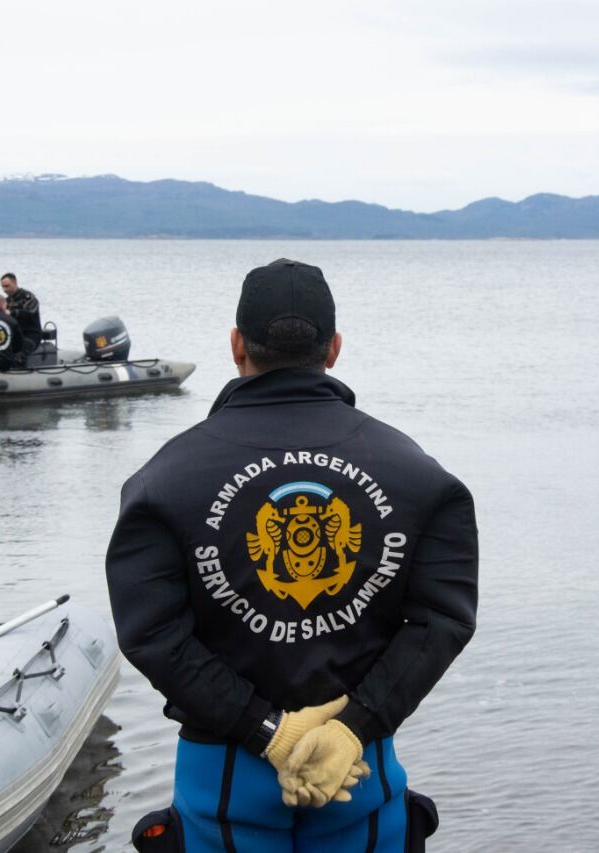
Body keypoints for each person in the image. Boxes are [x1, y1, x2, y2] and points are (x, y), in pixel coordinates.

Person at [106, 258, 478, 852]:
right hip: (358, 773)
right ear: (333, 349)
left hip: (223, 777)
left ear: (235, 346)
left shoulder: (164, 481)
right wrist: (353, 731)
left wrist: (268, 733)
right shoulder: (420, 477)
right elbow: (442, 620)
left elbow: (153, 636)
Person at [0, 272, 42, 351]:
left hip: (30, 335)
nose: (5, 290)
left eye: (7, 286)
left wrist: (12, 313)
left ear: (15, 283)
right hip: (13, 335)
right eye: (3, 287)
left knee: (21, 350)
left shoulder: (28, 297)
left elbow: (29, 313)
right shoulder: (6, 301)